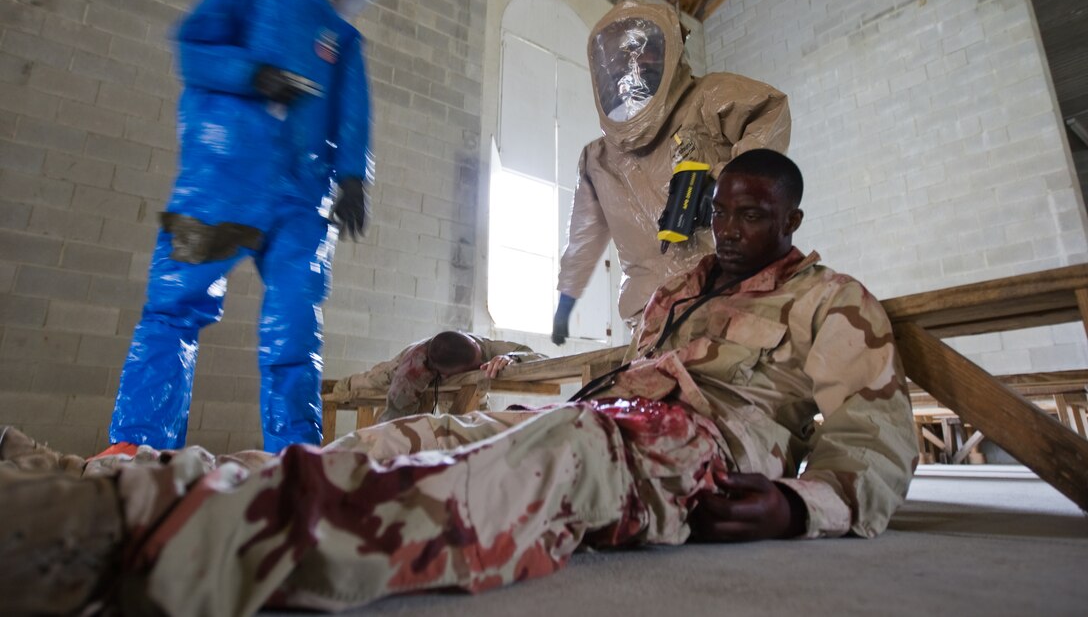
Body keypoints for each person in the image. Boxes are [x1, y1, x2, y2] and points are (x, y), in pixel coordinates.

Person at [0, 151, 917, 616]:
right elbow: (602, 361)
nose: (729, 223)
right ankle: (121, 481)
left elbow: (875, 434)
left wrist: (802, 507)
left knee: (559, 453)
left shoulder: (828, 297)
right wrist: (481, 351)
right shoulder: (676, 292)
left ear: (793, 215)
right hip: (608, 407)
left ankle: (123, 539)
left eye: (753, 210)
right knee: (405, 440)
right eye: (720, 207)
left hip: (692, 448)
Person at [103, 0, 383, 456]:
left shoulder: (342, 41)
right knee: (174, 307)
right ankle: (138, 447)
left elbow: (353, 113)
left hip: (303, 203)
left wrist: (353, 177)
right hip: (220, 185)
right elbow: (194, 50)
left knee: (295, 330)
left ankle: (295, 456)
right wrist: (252, 74)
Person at [553, 0, 791, 345]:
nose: (633, 66)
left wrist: (726, 187)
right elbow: (582, 239)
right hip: (650, 318)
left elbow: (770, 113)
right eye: (622, 60)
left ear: (669, 51)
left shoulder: (706, 98)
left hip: (730, 294)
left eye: (644, 53)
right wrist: (565, 303)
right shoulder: (598, 159)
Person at [332, 331, 544, 421]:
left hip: (453, 376)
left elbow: (540, 356)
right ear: (443, 372)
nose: (481, 365)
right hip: (406, 363)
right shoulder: (410, 373)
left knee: (475, 420)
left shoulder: (483, 347)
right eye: (472, 366)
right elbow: (394, 417)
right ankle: (343, 384)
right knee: (372, 380)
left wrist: (512, 358)